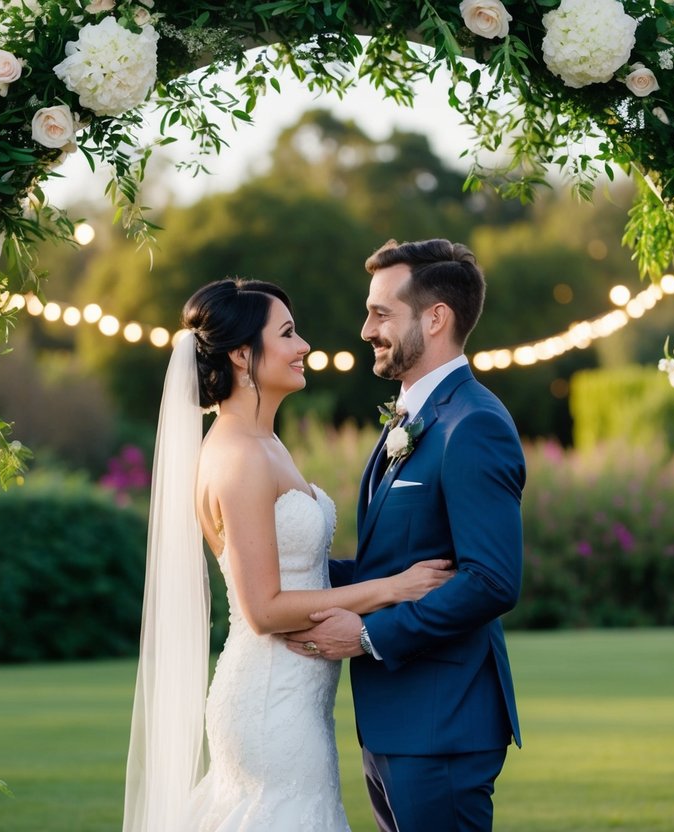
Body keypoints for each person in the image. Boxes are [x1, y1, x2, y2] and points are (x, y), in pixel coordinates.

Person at [121, 277, 455, 832]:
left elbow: (299, 570)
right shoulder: (239, 456)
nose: (303, 346)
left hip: (295, 698)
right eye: (288, 333)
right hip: (271, 701)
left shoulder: (264, 443)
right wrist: (396, 587)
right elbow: (265, 608)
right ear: (241, 353)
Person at [285, 239, 526, 832]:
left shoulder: (474, 425)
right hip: (397, 720)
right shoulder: (417, 416)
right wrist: (282, 570)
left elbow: (491, 580)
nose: (366, 329)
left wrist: (368, 633)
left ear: (435, 317)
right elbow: (392, 563)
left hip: (442, 723)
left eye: (381, 313)